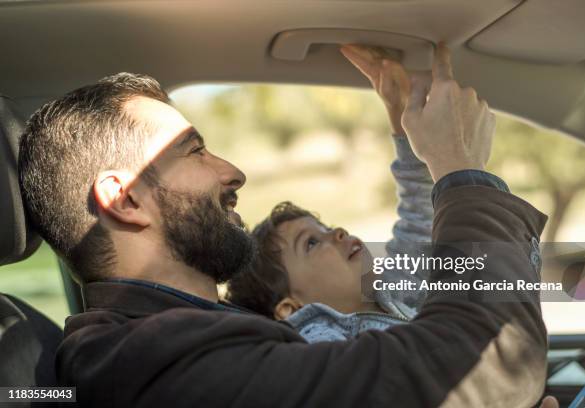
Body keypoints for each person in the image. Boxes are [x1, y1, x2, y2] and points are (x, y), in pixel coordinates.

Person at [19, 43, 550, 407]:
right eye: (196, 151)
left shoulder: (189, 334)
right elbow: (483, 365)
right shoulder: (146, 361)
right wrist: (460, 168)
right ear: (125, 198)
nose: (234, 172)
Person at [227, 45, 435, 341]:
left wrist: (397, 108)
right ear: (291, 309)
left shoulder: (391, 291)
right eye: (311, 243)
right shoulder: (324, 343)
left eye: (324, 228)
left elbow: (420, 214)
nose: (337, 232)